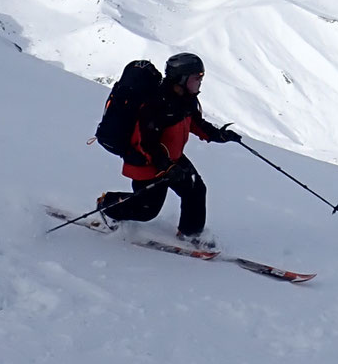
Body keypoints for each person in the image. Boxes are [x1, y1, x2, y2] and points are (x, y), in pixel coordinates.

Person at [97, 51, 238, 246]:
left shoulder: (186, 100)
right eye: (195, 78)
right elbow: (145, 143)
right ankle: (108, 205)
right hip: (146, 161)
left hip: (172, 159)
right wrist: (167, 167)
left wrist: (219, 135)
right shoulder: (156, 104)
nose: (199, 83)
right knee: (147, 210)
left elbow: (196, 123)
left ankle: (191, 234)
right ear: (181, 79)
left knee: (195, 190)